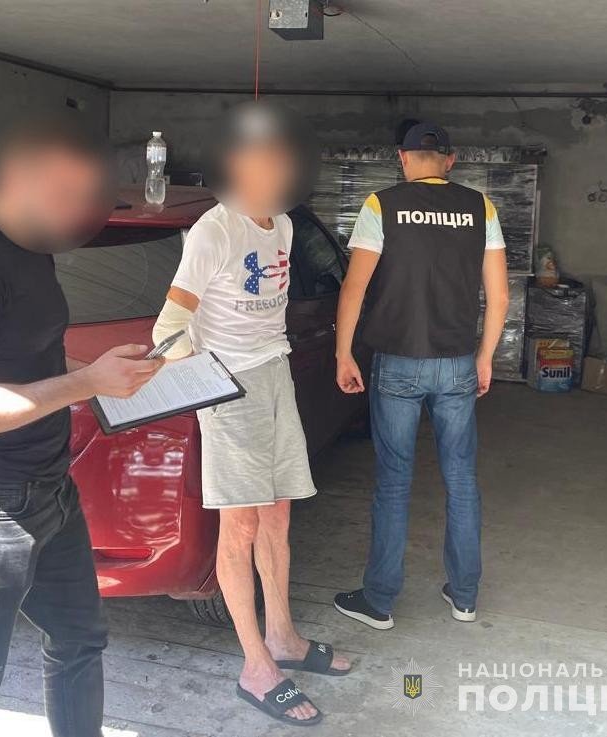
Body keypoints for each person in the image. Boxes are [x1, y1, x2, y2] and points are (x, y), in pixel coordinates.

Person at [0, 116, 164, 737]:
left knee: (80, 639)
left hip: (50, 487)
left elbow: (35, 356)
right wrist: (89, 383)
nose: (82, 212)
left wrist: (107, 373)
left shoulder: (31, 250)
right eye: (66, 195)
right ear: (15, 182)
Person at [151, 102, 349, 727]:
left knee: (279, 513)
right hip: (227, 384)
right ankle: (256, 666)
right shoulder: (215, 229)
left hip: (274, 373)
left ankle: (283, 636)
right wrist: (207, 387)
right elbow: (169, 326)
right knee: (238, 527)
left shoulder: (282, 225)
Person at [333, 123, 510, 630]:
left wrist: (343, 353)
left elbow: (353, 288)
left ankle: (380, 601)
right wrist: (485, 356)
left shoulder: (381, 205)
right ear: (450, 160)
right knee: (461, 478)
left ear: (403, 158)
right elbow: (499, 296)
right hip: (456, 362)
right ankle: (465, 596)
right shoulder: (481, 207)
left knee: (393, 481)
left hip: (398, 362)